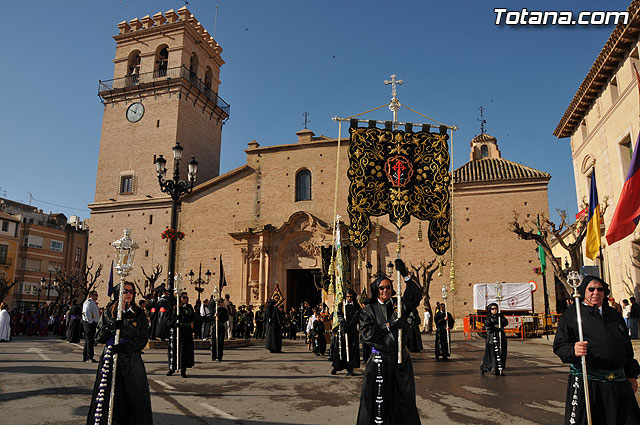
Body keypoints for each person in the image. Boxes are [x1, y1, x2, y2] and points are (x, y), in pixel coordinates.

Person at [553, 275, 640, 425]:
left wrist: (631, 375)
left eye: (600, 289)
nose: (596, 293)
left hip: (617, 381)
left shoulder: (613, 315)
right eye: (591, 289)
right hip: (588, 381)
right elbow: (560, 346)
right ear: (583, 291)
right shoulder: (572, 315)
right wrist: (573, 349)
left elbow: (626, 347)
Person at [357, 259, 422, 425]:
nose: (385, 290)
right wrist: (389, 325)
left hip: (400, 360)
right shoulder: (368, 310)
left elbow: (415, 296)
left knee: (404, 399)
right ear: (376, 290)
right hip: (380, 361)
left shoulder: (398, 304)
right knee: (378, 401)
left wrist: (406, 276)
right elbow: (368, 334)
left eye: (388, 287)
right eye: (381, 288)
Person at [86, 282, 152, 425]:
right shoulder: (109, 311)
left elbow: (142, 338)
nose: (129, 294)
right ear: (118, 294)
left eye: (131, 291)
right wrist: (112, 326)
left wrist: (126, 347)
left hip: (131, 359)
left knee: (134, 394)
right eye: (125, 291)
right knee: (110, 394)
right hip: (110, 357)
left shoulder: (139, 313)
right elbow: (98, 336)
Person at [331, 290, 361, 375]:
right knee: (340, 348)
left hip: (352, 330)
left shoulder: (356, 305)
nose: (349, 298)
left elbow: (358, 315)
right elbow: (339, 314)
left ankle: (350, 368)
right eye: (348, 296)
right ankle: (337, 366)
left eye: (351, 297)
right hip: (343, 330)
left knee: (352, 349)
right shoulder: (342, 305)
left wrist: (351, 324)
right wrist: (343, 323)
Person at [167, 292, 195, 378]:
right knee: (174, 351)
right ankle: (172, 368)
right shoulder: (174, 308)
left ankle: (183, 370)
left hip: (185, 333)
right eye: (183, 297)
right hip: (176, 333)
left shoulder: (189, 307)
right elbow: (168, 319)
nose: (185, 299)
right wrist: (174, 322)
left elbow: (192, 316)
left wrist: (182, 318)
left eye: (186, 297)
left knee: (184, 352)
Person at [480, 303, 508, 376]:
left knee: (501, 352)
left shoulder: (500, 316)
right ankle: (488, 368)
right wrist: (495, 327)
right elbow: (488, 327)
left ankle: (500, 368)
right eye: (492, 309)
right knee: (492, 354)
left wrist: (500, 319)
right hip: (492, 337)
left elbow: (505, 322)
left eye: (495, 308)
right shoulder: (488, 318)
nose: (494, 310)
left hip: (500, 336)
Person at [82, 291, 100, 363]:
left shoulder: (93, 303)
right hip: (89, 323)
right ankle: (90, 357)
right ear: (91, 295)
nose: (97, 296)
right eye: (95, 295)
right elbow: (86, 311)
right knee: (90, 340)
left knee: (88, 340)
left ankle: (85, 356)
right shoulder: (89, 302)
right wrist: (90, 321)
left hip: (91, 323)